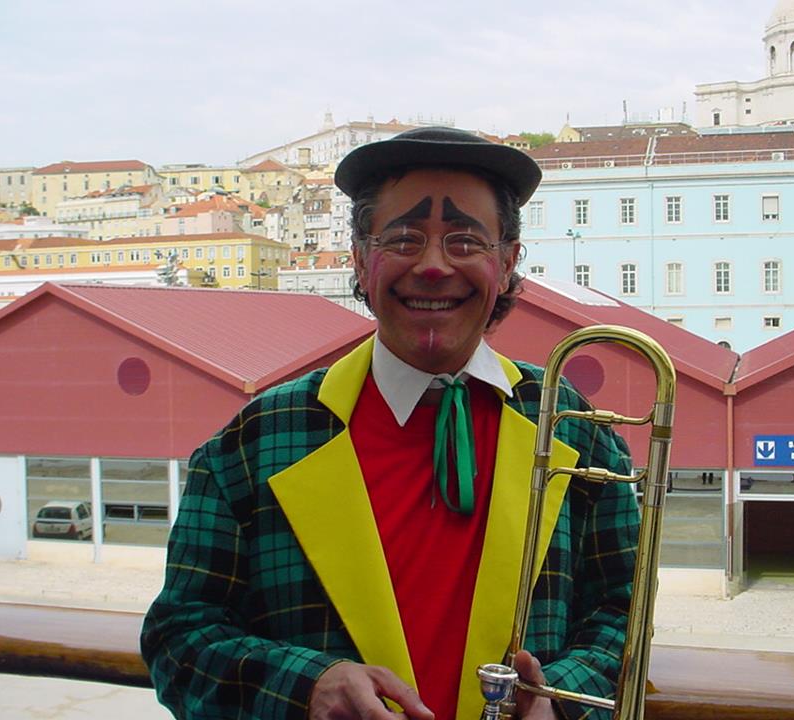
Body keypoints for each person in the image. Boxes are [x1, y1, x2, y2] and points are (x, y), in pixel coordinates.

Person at [141, 126, 639, 720]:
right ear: (359, 259)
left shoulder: (580, 433)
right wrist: (307, 687)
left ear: (506, 264)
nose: (432, 266)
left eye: (464, 241)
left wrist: (558, 702)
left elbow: (624, 614)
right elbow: (180, 636)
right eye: (402, 239)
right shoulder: (250, 443)